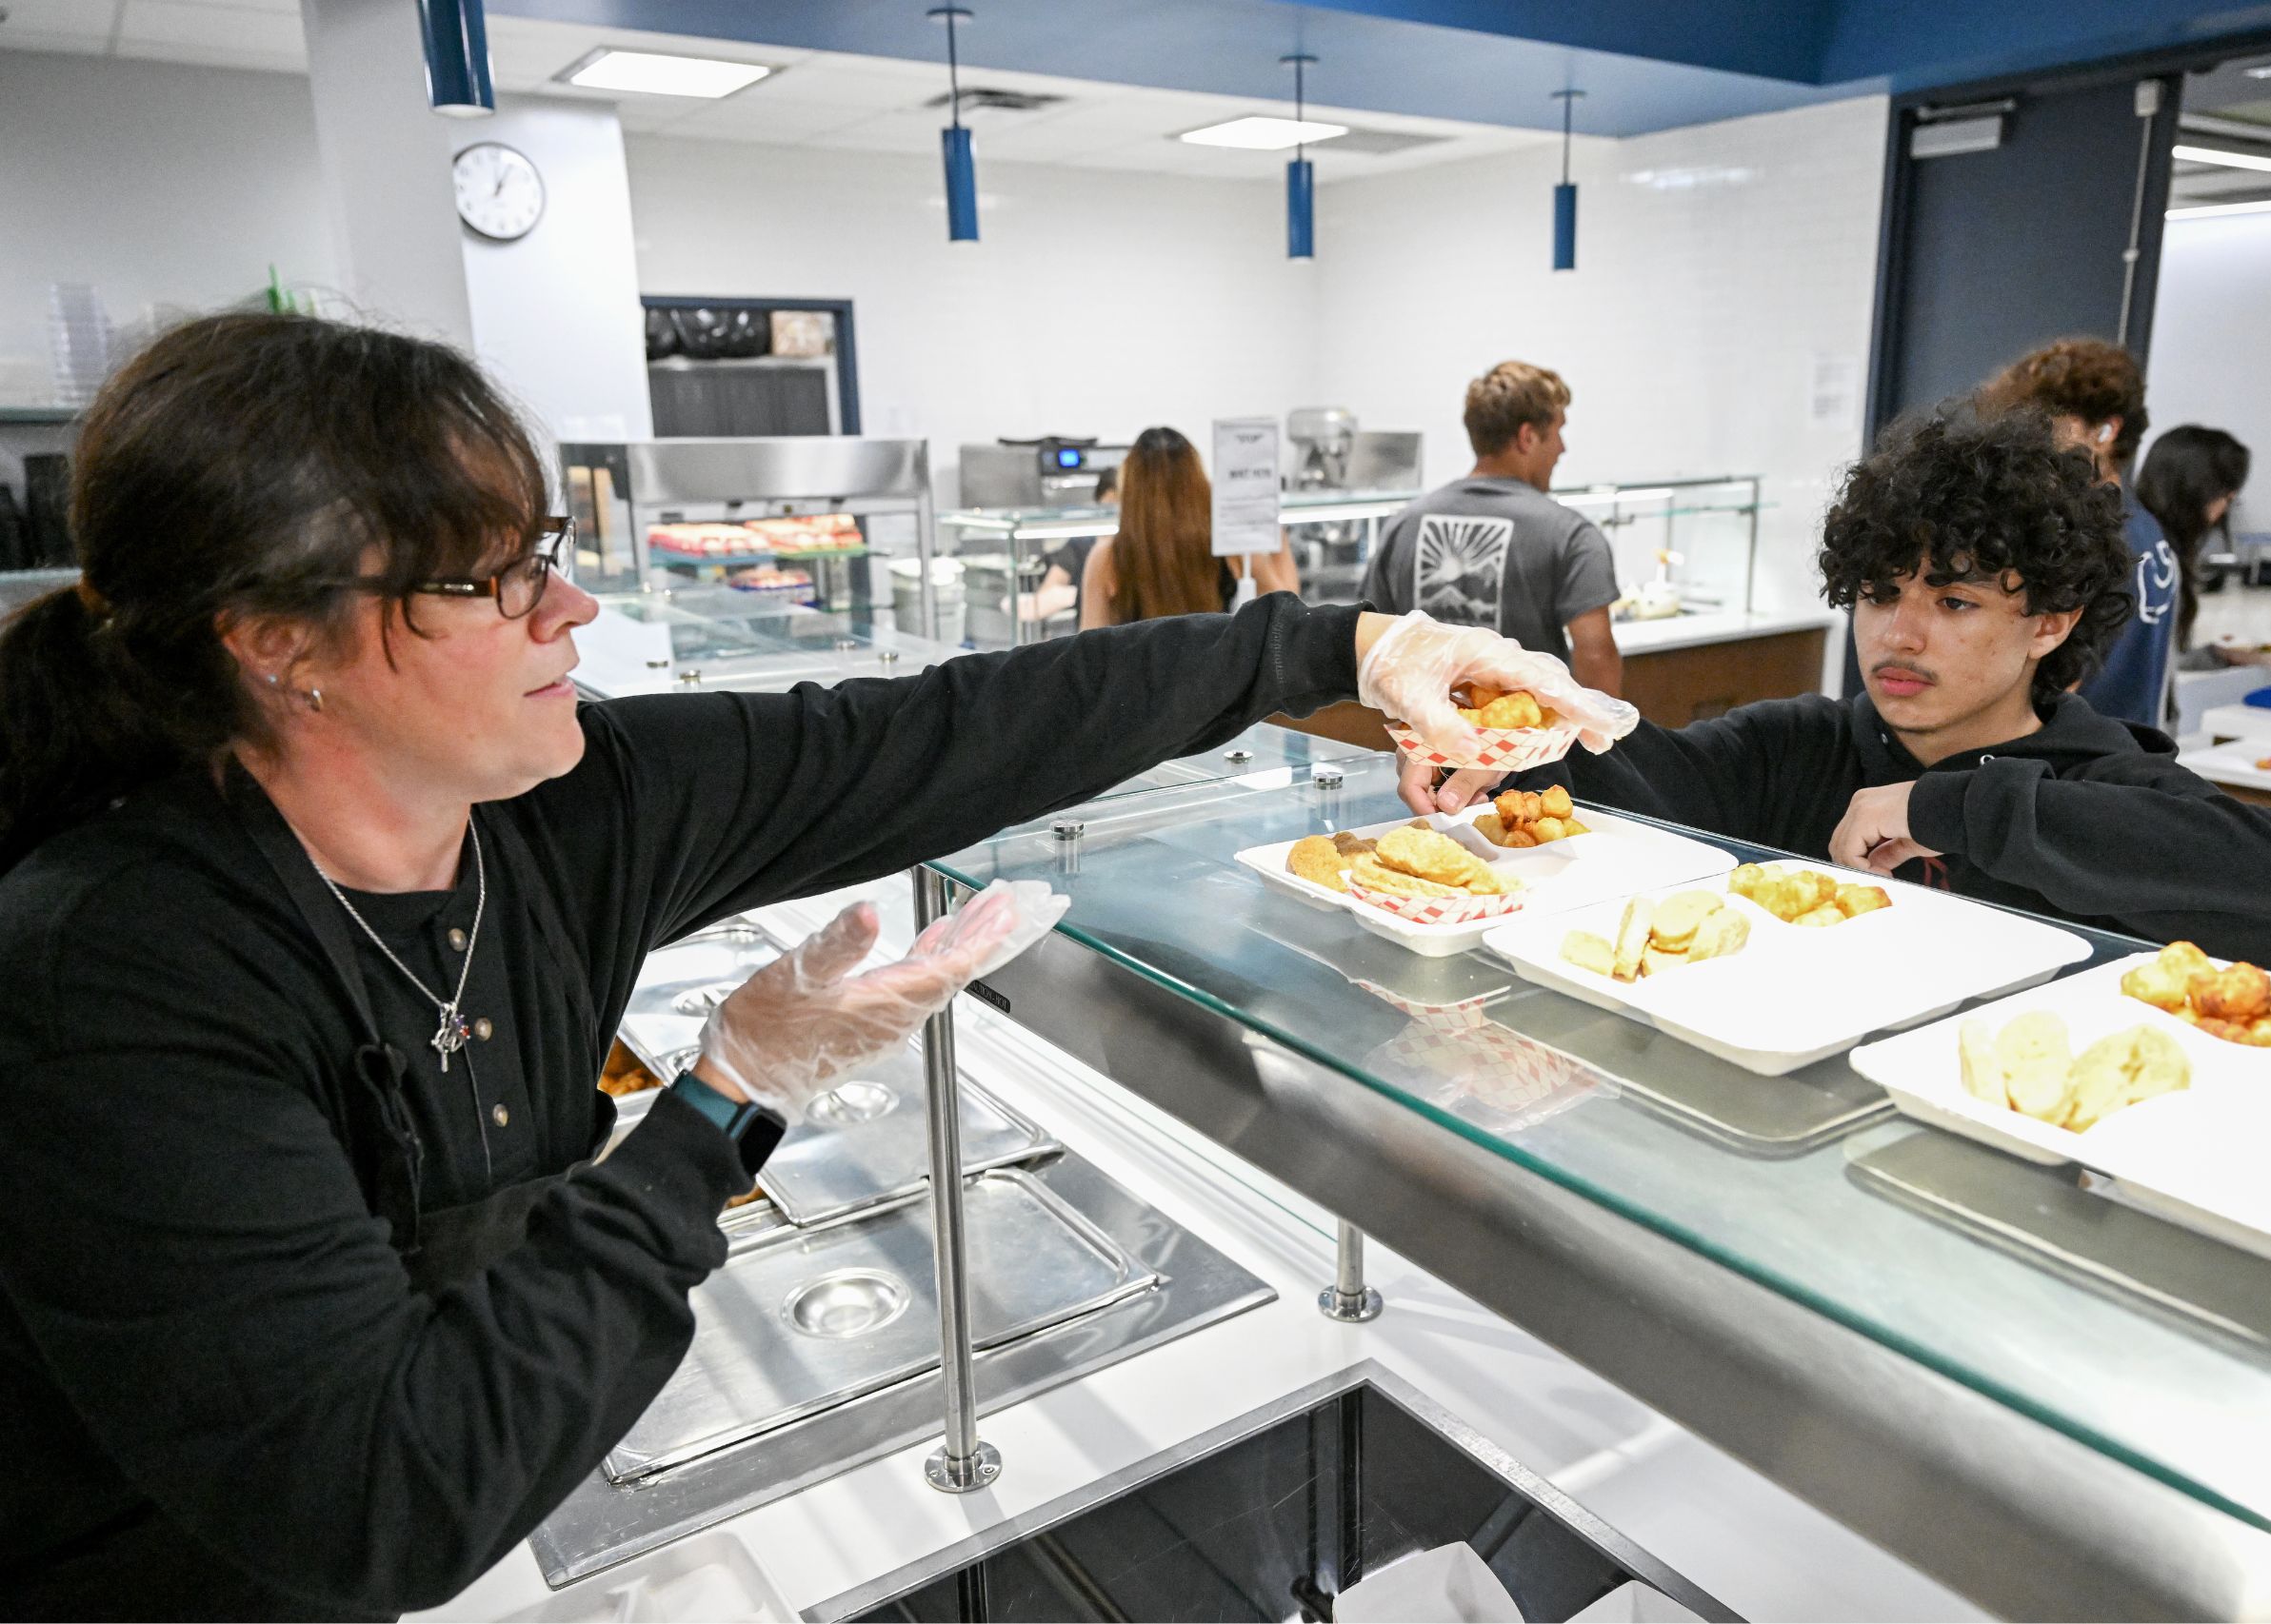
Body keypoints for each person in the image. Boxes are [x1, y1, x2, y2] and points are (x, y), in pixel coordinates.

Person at [0, 313, 1633, 1619]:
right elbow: (384, 1492)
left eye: (547, 545)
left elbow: (940, 732)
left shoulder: (562, 817)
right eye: (488, 577)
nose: (568, 603)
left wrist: (1341, 647)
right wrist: (726, 1101)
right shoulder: (114, 977)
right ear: (272, 639)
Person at [1408, 407, 2271, 977]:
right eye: (1877, 594)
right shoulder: (1801, 748)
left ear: (2050, 619)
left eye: (1952, 600)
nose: (1898, 634)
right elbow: (1644, 774)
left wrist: (1954, 805)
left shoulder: (2101, 780)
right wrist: (1515, 728)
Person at [1358, 360, 1624, 697]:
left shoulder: (1403, 525)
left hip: (1428, 741)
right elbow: (1596, 654)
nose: (1562, 448)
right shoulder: (1571, 535)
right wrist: (1594, 745)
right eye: (1558, 432)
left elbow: (1372, 637)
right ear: (1527, 437)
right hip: (1526, 742)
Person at [1981, 337, 2179, 729]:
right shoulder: (2148, 530)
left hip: (2077, 767)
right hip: (2130, 755)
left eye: (2047, 424)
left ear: (2106, 430)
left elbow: (2057, 688)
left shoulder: (2089, 541)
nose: (2031, 442)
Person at [1080, 426, 1298, 628]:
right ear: (1198, 484)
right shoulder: (1226, 547)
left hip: (1137, 671)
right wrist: (1268, 521)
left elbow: (1088, 651)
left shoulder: (1107, 558)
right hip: (1216, 669)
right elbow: (1286, 611)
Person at [2136, 425, 2252, 646]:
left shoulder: (2151, 539)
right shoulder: (2151, 555)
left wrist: (2215, 656)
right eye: (2226, 498)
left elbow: (2162, 654)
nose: (2223, 511)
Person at [1023, 465, 1119, 630]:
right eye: (1108, 508)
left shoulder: (1140, 549)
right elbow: (1044, 599)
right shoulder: (1080, 546)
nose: (1115, 515)